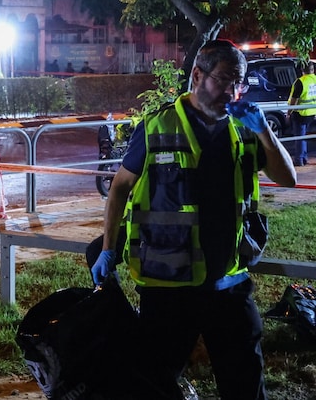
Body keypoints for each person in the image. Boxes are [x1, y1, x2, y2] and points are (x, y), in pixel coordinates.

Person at [91, 40, 296, 399]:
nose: (232, 91)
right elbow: (120, 188)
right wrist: (109, 249)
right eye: (224, 80)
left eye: (239, 82)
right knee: (154, 384)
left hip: (228, 285)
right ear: (197, 75)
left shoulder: (246, 129)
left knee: (246, 385)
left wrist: (264, 130)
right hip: (169, 288)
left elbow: (288, 178)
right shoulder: (157, 126)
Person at [287, 61, 316, 166]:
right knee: (303, 136)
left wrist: (288, 113)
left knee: (299, 137)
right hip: (312, 113)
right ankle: (304, 157)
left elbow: (294, 100)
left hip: (300, 113)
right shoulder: (315, 79)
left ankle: (299, 159)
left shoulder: (300, 81)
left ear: (302, 70)